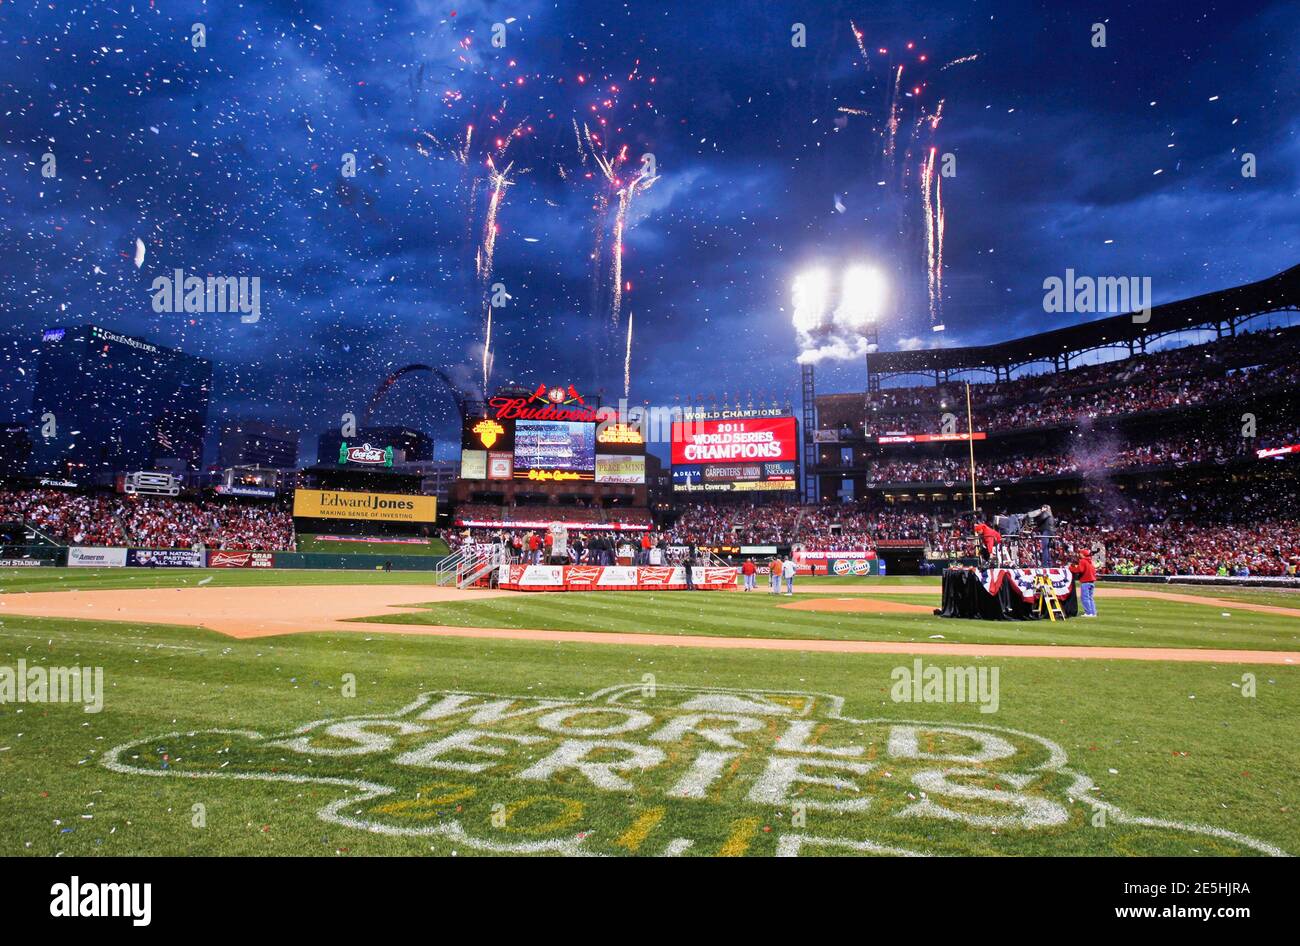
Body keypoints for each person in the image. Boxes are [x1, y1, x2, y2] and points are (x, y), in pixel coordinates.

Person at [1069, 546, 1097, 617]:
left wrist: (1071, 568)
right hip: (1092, 582)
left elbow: (1080, 570)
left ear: (1082, 554)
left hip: (1085, 582)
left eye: (1080, 553)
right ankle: (1093, 612)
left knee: (1085, 598)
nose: (1079, 554)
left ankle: (1088, 612)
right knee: (1090, 598)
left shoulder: (1083, 561)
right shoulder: (1090, 561)